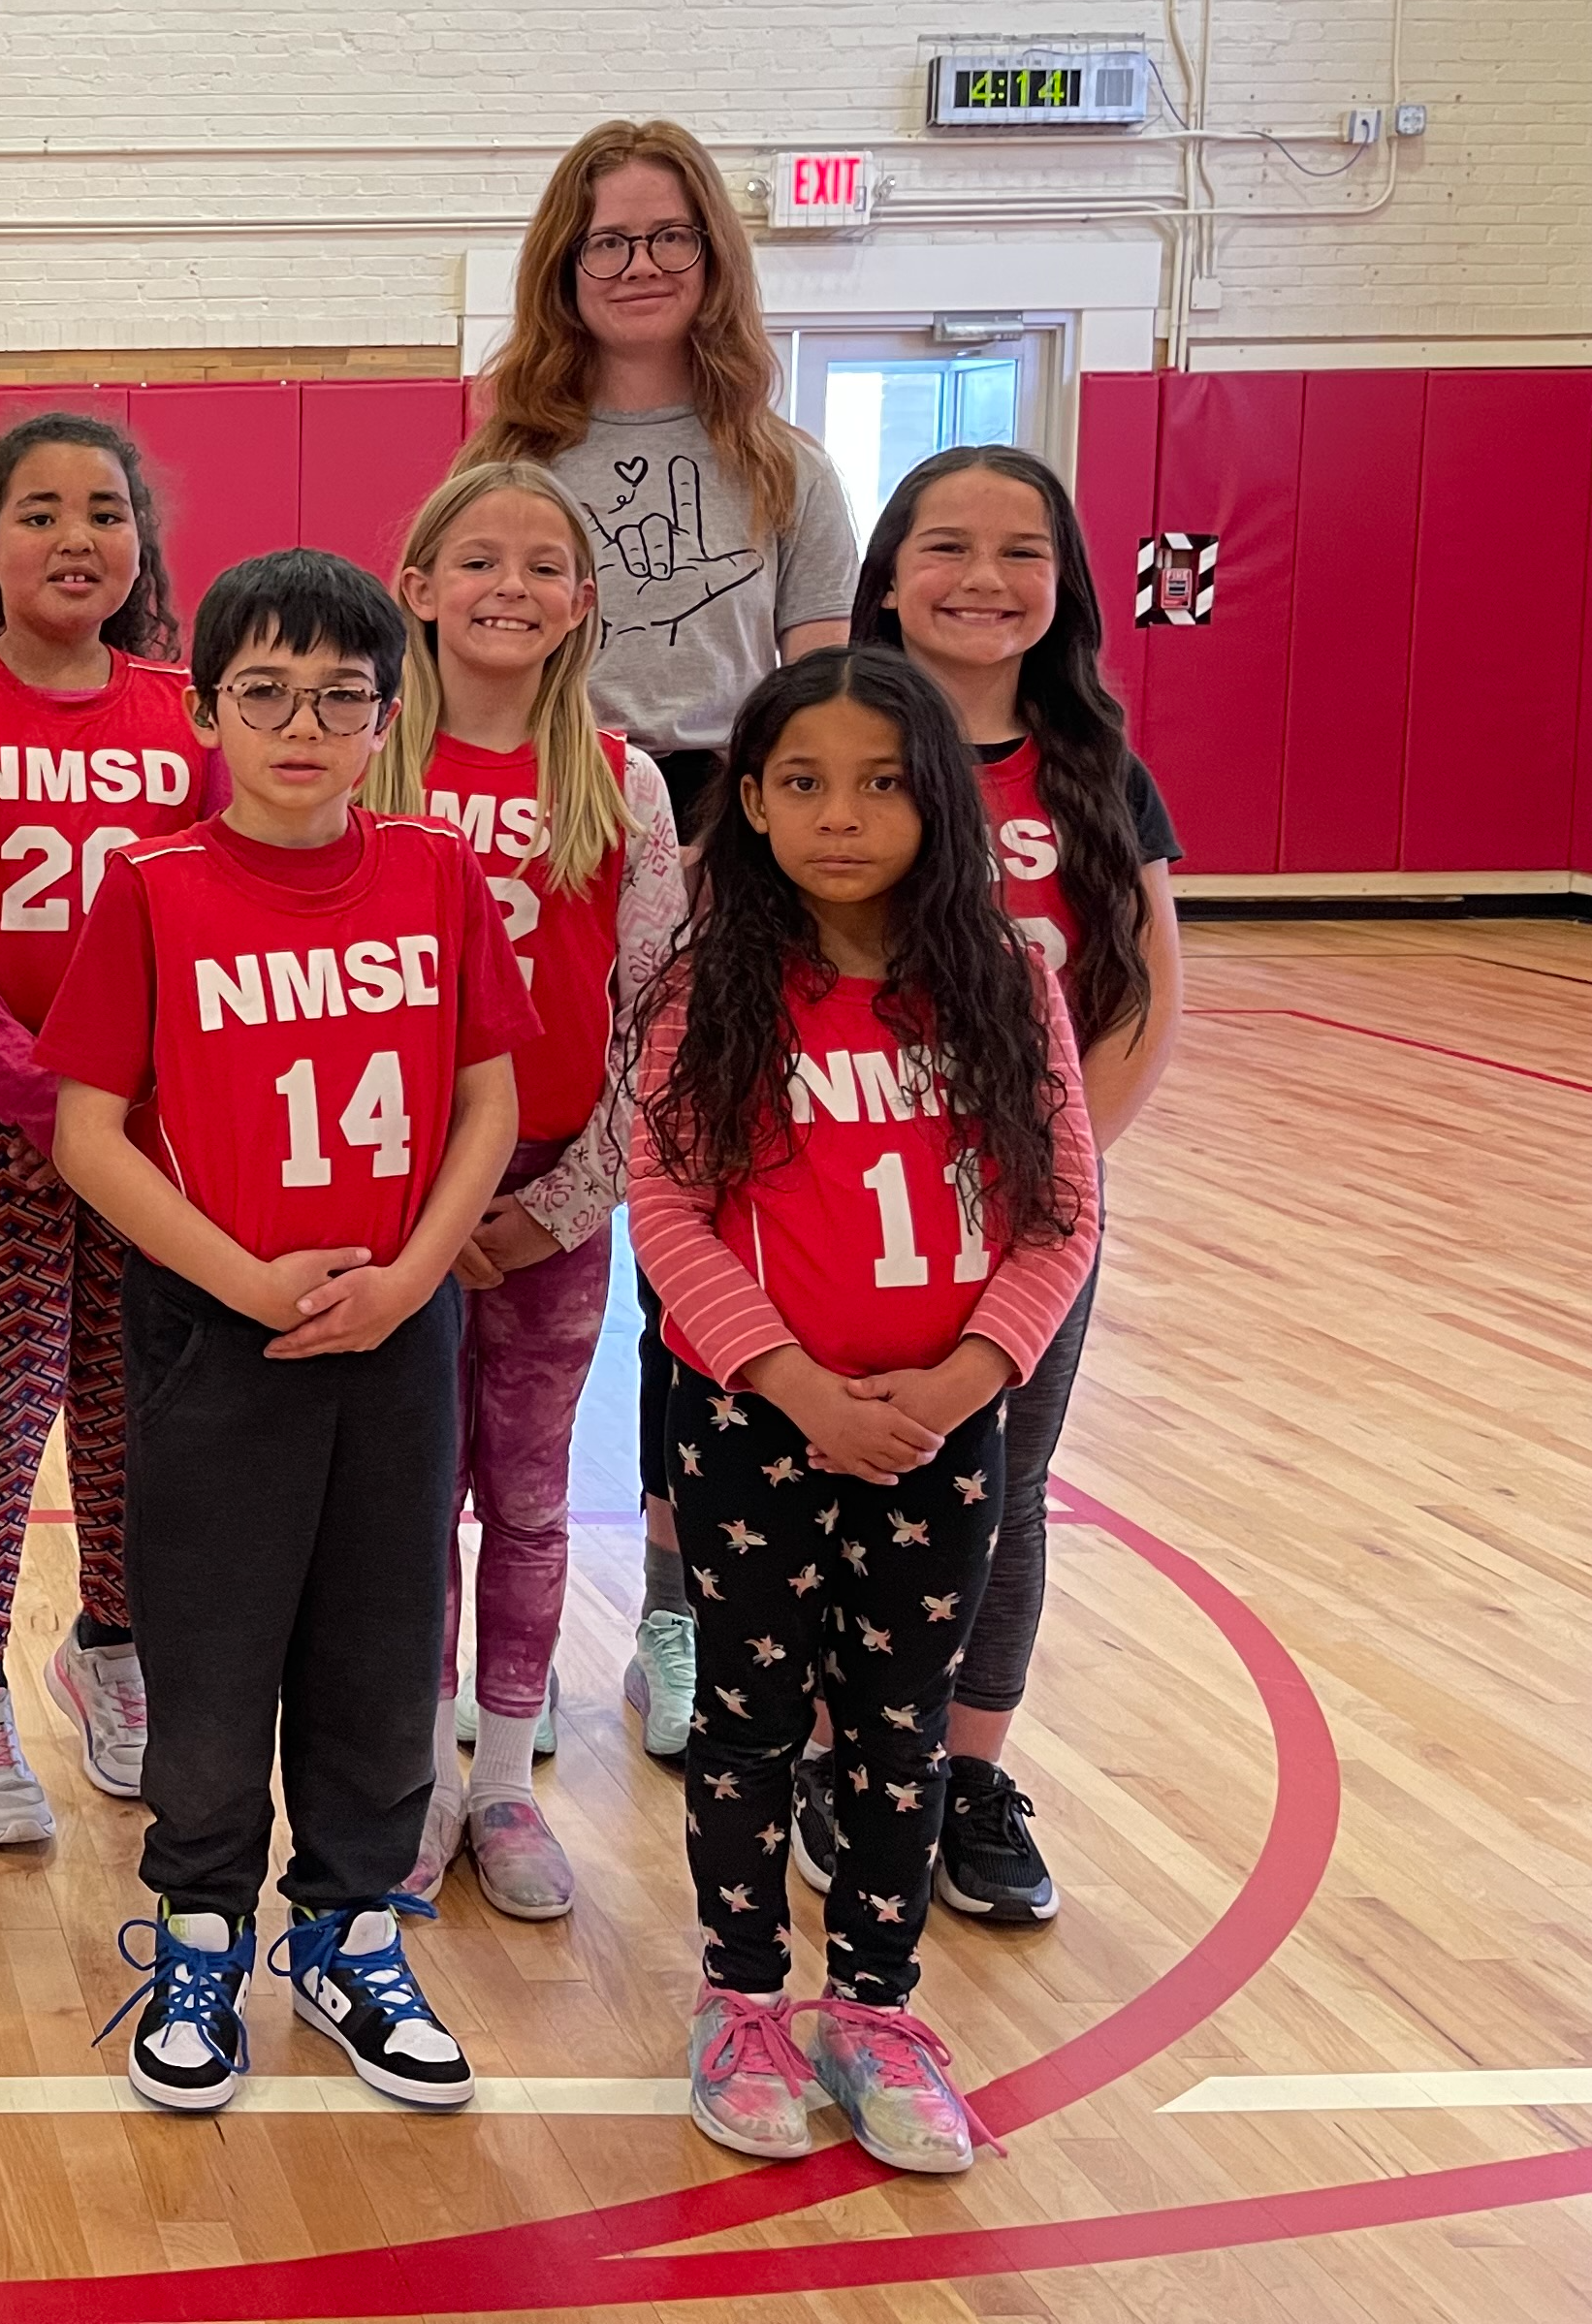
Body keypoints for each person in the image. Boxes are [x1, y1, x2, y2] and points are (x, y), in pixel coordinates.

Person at [42, 550, 531, 2116]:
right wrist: (247, 1281)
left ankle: (346, 1931)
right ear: (207, 712)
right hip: (217, 1325)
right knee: (211, 1643)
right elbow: (89, 1134)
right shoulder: (152, 885)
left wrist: (415, 1277)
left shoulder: (439, 873)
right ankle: (198, 1925)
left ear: (389, 718)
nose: (301, 723)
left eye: (339, 695)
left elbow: (487, 1100)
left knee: (385, 1642)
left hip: (396, 1324)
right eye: (264, 692)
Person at [629, 646, 1096, 2177]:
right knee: (755, 1726)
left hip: (945, 1428)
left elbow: (1063, 1216)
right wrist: (791, 1382)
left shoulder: (1012, 976)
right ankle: (745, 1997)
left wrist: (967, 1382)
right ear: (750, 802)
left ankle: (878, 2010)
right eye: (805, 783)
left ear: (940, 801)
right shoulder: (713, 984)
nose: (843, 816)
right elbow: (668, 1208)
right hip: (757, 1422)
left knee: (903, 1735)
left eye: (884, 783)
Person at [458, 119, 856, 1765]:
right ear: (567, 265)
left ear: (713, 261)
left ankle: (683, 1616)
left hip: (736, 843)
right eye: (607, 238)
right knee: (536, 1207)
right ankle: (470, 1660)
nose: (637, 263)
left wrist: (741, 850)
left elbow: (824, 687)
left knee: (702, 1262)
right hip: (563, 823)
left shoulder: (787, 465)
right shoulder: (516, 448)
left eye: (667, 236)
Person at [842, 446, 1180, 1926]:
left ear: (1066, 582)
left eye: (1022, 550)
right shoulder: (828, 743)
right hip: (835, 1193)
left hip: (1032, 1214)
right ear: (891, 571)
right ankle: (833, 1759)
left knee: (1004, 1491)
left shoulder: (1097, 768)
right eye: (948, 546)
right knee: (825, 1484)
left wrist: (1055, 1197)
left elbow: (1144, 998)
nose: (985, 578)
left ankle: (966, 1774)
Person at [0, 411, 212, 1843]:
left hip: (152, 1117)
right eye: (39, 512)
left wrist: (147, 1094)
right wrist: (30, 1082)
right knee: (4, 1390)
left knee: (135, 1389)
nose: (75, 537)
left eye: (105, 510)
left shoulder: (185, 706)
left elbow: (215, 902)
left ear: (143, 543)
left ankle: (112, 1649)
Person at [366, 461, 682, 1922]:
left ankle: (506, 1779)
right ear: (415, 586)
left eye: (542, 564)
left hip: (552, 1213)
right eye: (475, 558)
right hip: (393, 1219)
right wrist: (428, 1221)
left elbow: (651, 1028)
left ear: (583, 605)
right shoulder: (364, 769)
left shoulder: (621, 784)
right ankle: (423, 1774)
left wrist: (555, 1209)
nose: (509, 584)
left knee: (536, 1500)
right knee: (414, 1502)